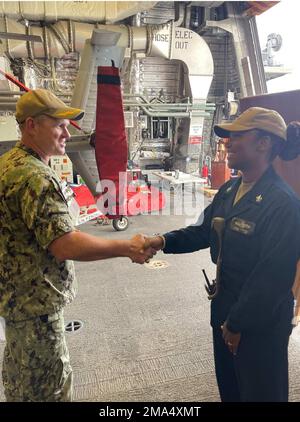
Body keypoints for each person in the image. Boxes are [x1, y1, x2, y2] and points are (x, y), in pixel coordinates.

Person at [0, 89, 155, 402]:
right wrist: (126, 247)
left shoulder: (7, 164)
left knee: (20, 383)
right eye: (59, 125)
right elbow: (65, 245)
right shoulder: (35, 177)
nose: (67, 132)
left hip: (15, 303)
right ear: (31, 126)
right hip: (36, 310)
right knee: (49, 391)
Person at [147, 107, 300, 402]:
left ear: (263, 143)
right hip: (225, 312)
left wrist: (236, 323)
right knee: (231, 391)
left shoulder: (284, 204)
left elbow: (272, 279)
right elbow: (203, 231)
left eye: (238, 135)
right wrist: (161, 240)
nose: (228, 142)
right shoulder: (230, 189)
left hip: (259, 325)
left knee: (261, 394)